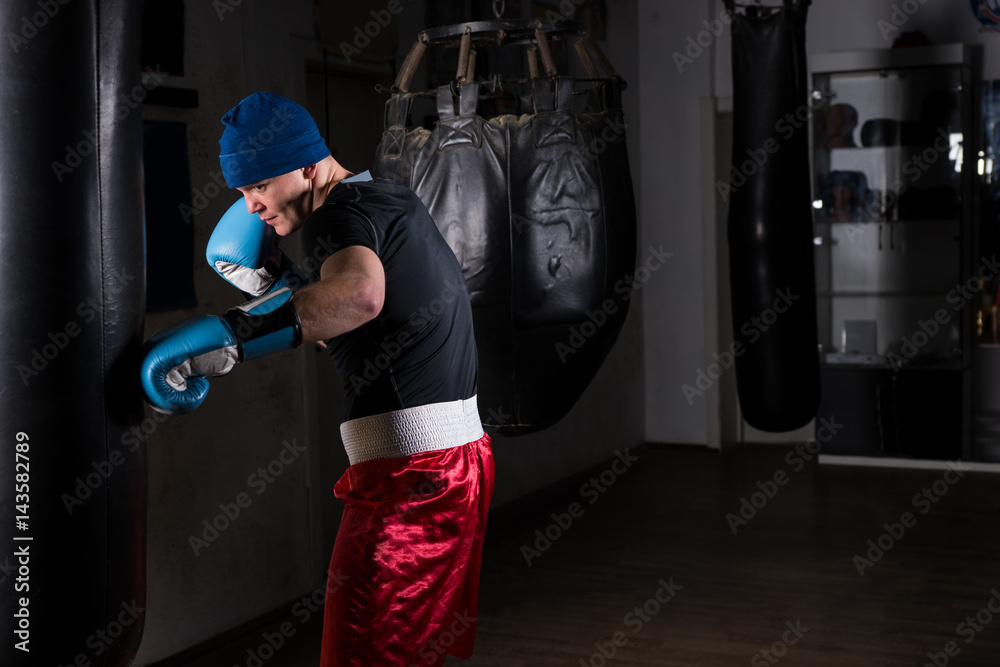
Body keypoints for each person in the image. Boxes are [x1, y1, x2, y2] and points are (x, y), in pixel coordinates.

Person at [139, 91, 494, 666]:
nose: (251, 207)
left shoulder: (337, 215)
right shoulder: (387, 201)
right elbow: (349, 324)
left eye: (258, 186)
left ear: (307, 165)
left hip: (412, 477)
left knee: (360, 653)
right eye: (241, 192)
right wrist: (269, 287)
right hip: (456, 464)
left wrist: (228, 338)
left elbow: (359, 297)